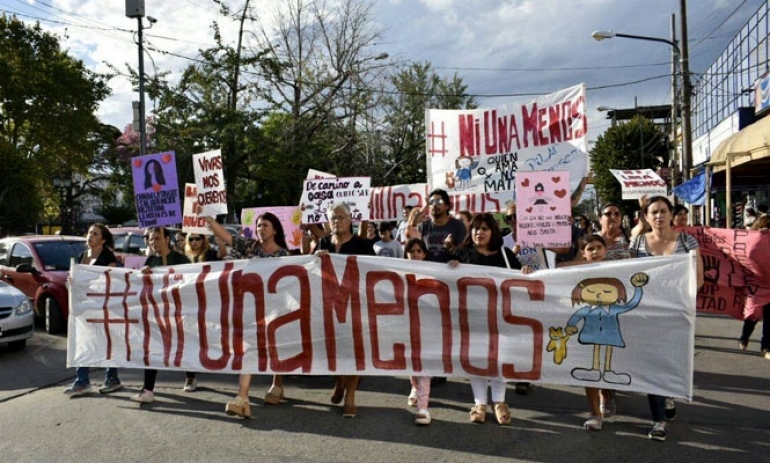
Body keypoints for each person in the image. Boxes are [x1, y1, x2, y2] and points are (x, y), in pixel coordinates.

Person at [630, 195, 704, 441]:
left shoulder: (688, 241)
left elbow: (698, 278)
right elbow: (628, 276)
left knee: (671, 362)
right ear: (647, 217)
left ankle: (668, 393)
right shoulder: (637, 243)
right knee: (652, 364)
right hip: (646, 316)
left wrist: (678, 300)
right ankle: (658, 420)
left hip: (676, 314)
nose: (659, 216)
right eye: (654, 212)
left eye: (663, 211)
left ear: (672, 215)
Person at [448, 212, 533, 426]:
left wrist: (525, 272)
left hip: (500, 317)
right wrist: (450, 266)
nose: (480, 232)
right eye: (476, 228)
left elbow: (520, 281)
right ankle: (479, 403)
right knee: (476, 358)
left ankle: (499, 401)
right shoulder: (462, 254)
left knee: (499, 357)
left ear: (492, 232)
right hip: (472, 317)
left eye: (485, 229)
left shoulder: (505, 255)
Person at [206, 213, 291, 418]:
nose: (261, 228)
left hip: (273, 310)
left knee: (273, 349)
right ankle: (243, 399)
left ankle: (273, 385)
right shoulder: (250, 247)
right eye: (259, 225)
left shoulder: (285, 255)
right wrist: (209, 221)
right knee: (249, 349)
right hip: (250, 309)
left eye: (266, 225)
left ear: (275, 229)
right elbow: (227, 237)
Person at [315, 202, 375, 418]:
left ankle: (350, 396)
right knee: (333, 351)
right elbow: (311, 272)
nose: (337, 221)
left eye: (341, 217)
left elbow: (373, 273)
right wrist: (316, 257)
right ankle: (340, 382)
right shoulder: (323, 242)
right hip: (329, 308)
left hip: (355, 307)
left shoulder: (361, 245)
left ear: (350, 220)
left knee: (353, 352)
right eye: (333, 217)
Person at [131, 227, 195, 404]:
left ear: (167, 239)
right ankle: (148, 389)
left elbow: (191, 282)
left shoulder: (180, 259)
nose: (153, 242)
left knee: (183, 345)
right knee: (152, 348)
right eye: (151, 239)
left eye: (157, 238)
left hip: (179, 312)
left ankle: (191, 375)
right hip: (157, 313)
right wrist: (143, 275)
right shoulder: (150, 260)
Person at [64, 224, 122, 396]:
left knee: (107, 342)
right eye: (89, 232)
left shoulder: (108, 258)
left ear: (103, 240)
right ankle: (82, 381)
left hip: (103, 307)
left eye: (95, 234)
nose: (90, 236)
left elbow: (113, 282)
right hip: (83, 308)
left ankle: (112, 378)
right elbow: (77, 281)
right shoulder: (82, 256)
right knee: (83, 341)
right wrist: (71, 281)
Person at [403, 237, 433, 425]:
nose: (415, 255)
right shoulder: (398, 272)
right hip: (405, 323)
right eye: (412, 251)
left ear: (425, 254)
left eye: (419, 251)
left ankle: (423, 408)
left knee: (424, 365)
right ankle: (414, 387)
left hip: (428, 325)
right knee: (411, 359)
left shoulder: (433, 273)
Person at [739, 215, 770, 359]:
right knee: (753, 315)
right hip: (756, 284)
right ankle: (745, 336)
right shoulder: (753, 239)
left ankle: (766, 346)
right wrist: (759, 238)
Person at [420, 189, 467, 263]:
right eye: (432, 202)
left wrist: (451, 247)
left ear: (447, 206)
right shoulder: (423, 226)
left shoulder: (458, 226)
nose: (434, 205)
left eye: (439, 202)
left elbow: (463, 253)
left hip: (450, 271)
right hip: (428, 271)